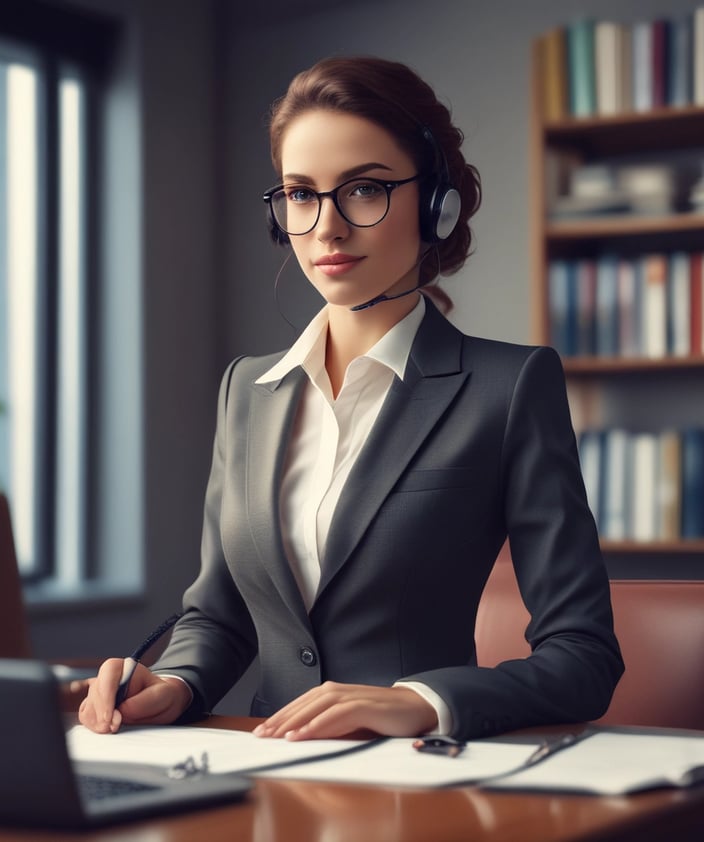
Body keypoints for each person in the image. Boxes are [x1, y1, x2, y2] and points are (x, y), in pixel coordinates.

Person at [78, 56, 623, 742]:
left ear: (437, 203)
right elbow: (221, 616)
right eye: (301, 194)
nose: (327, 227)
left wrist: (423, 701)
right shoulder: (247, 389)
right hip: (265, 768)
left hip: (417, 774)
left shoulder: (509, 388)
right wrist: (175, 682)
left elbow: (583, 657)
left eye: (364, 189)